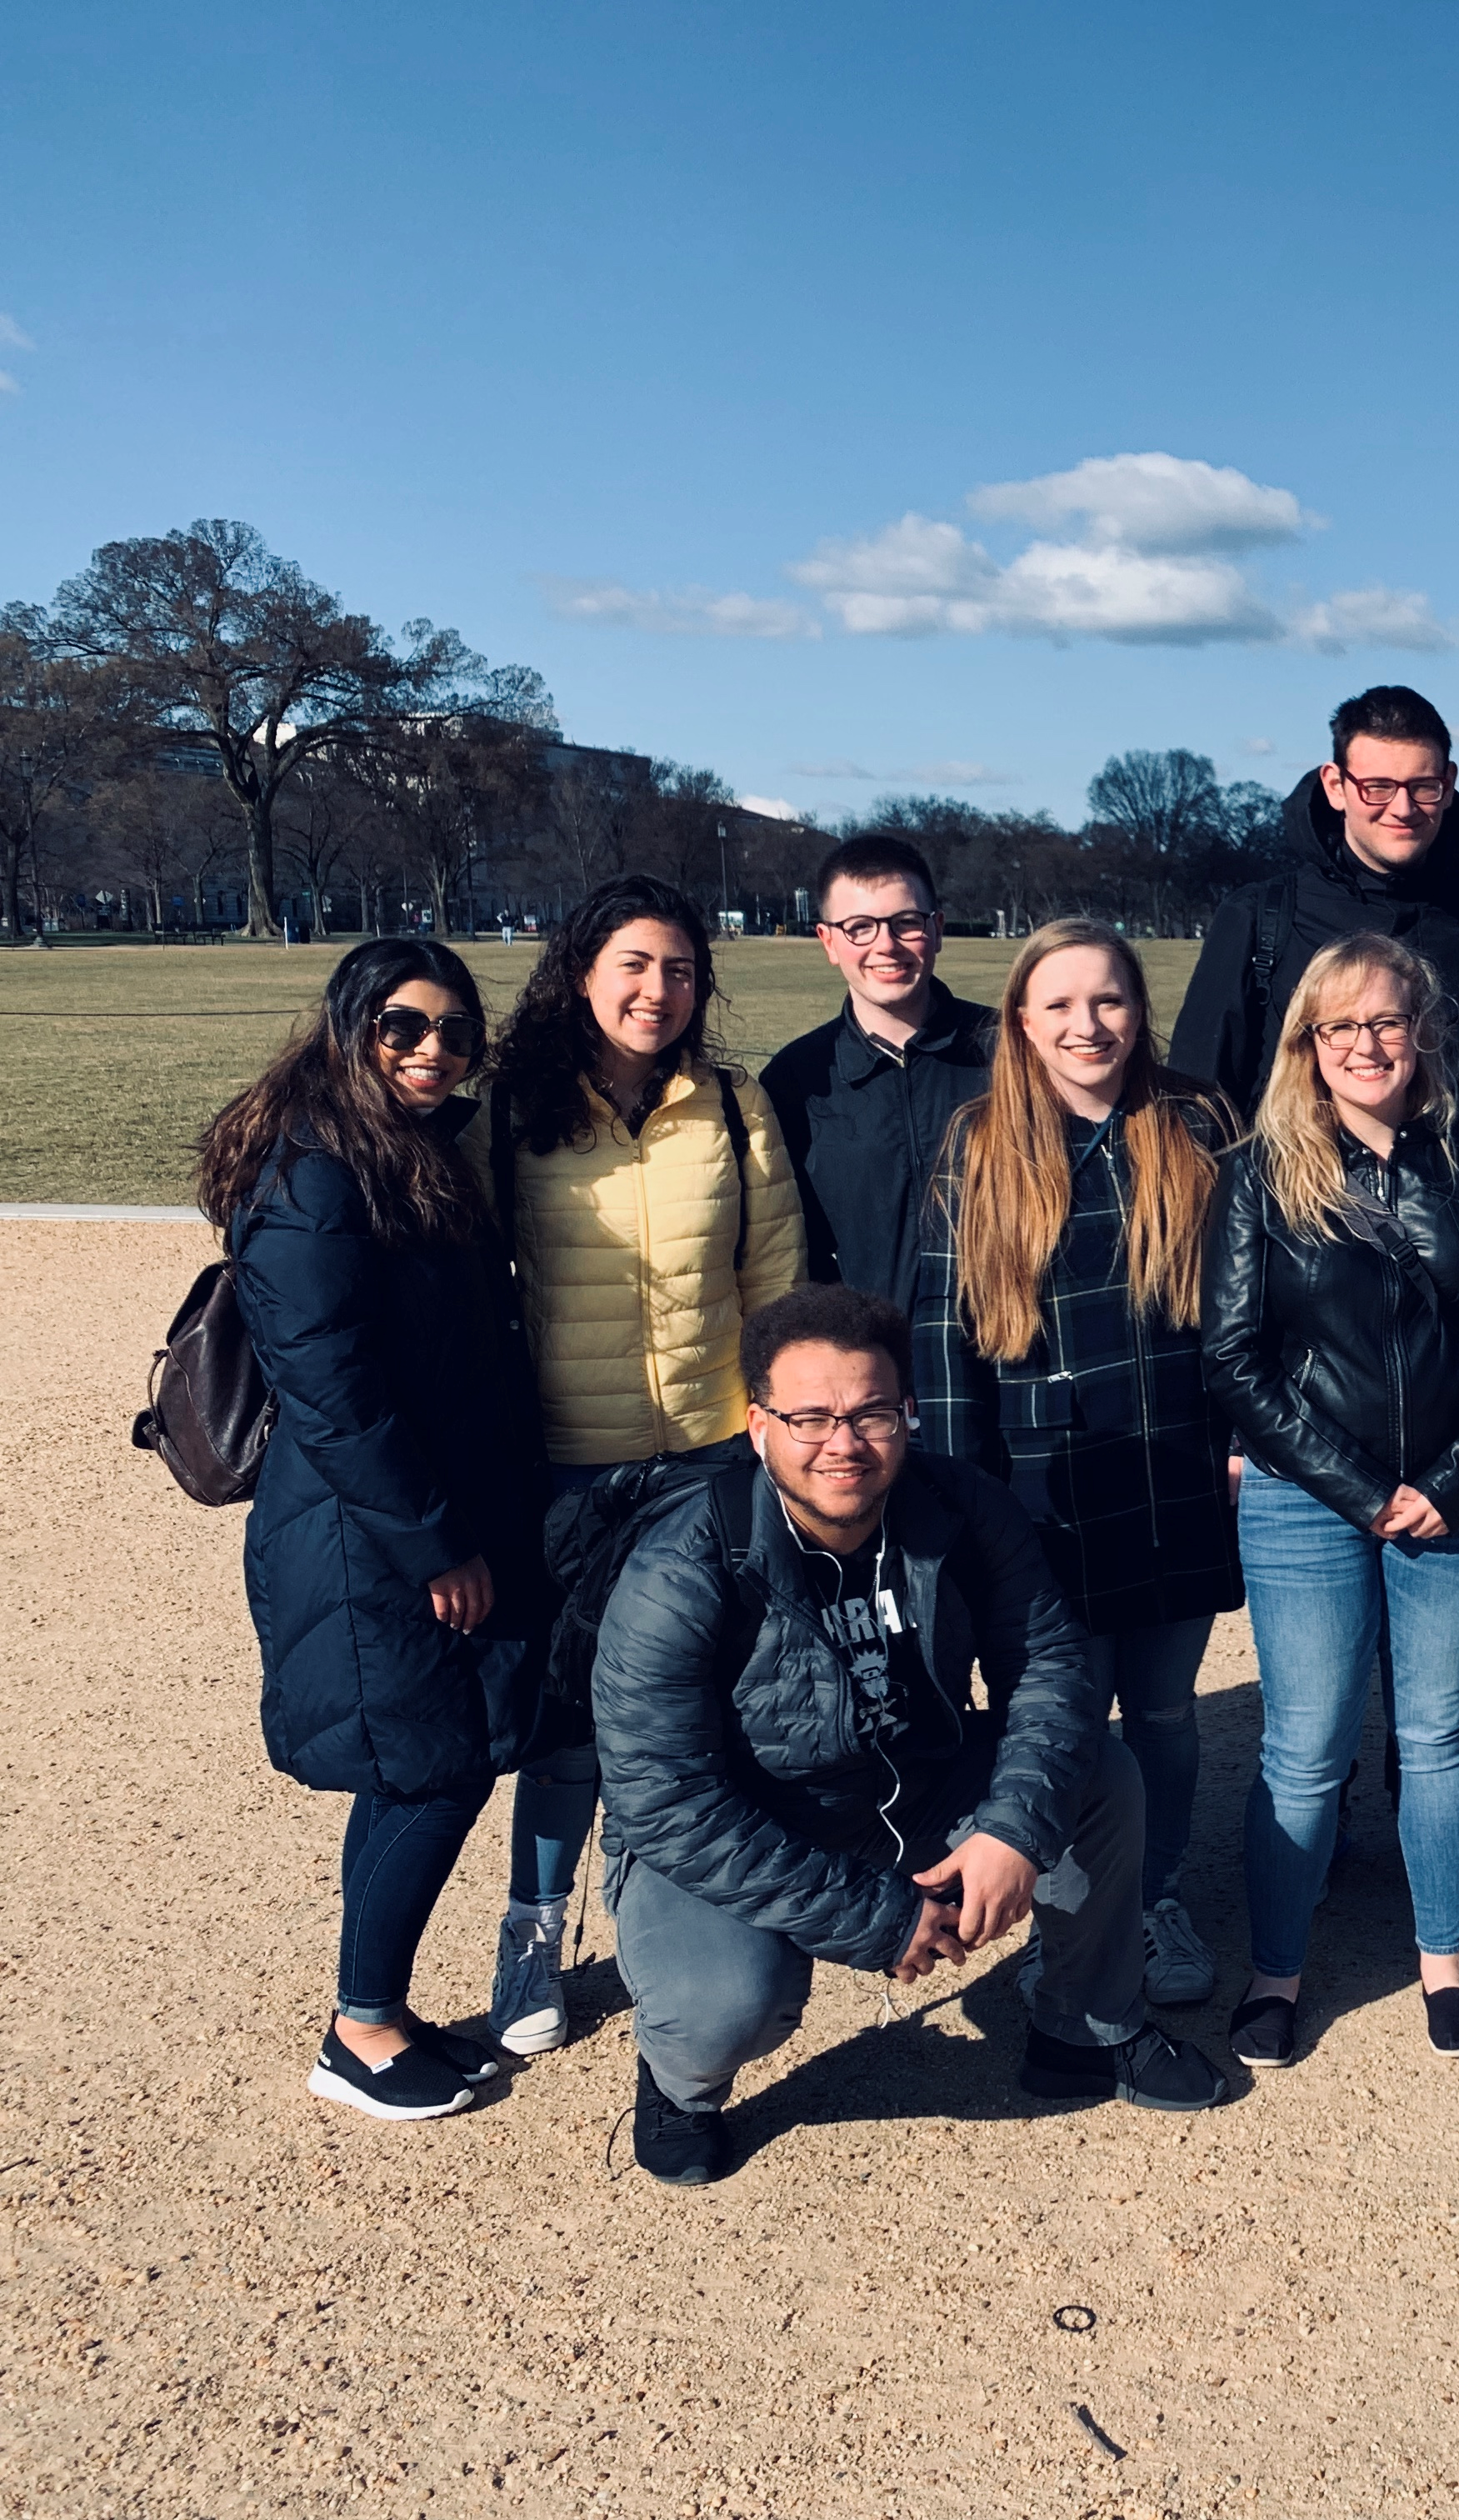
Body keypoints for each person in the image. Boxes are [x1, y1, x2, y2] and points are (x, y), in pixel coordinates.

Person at [592, 1286, 1226, 2184]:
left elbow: (1050, 1674)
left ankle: (1083, 2028)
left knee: (1103, 1779)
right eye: (808, 1417)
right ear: (758, 1424)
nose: (842, 1444)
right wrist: (881, 1918)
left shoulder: (963, 1508)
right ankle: (680, 2084)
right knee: (732, 1999)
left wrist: (1013, 1831)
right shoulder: (683, 1564)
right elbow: (667, 1800)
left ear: (909, 1414)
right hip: (742, 1824)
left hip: (912, 1782)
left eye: (872, 1413)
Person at [202, 941, 547, 2121]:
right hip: (373, 1536)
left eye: (457, 1033)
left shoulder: (395, 1151)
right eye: (406, 1026)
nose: (434, 1052)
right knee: (433, 1773)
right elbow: (333, 1393)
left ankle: (377, 2007)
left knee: (411, 1770)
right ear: (352, 1024)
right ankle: (359, 2030)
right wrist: (434, 1545)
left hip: (406, 1515)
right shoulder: (313, 1177)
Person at [1202, 935, 1459, 2067]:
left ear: (1425, 1035)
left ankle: (1443, 1961)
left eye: (1387, 1023)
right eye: (1339, 1027)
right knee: (1305, 1743)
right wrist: (1360, 1491)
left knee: (1441, 1729)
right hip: (1312, 1498)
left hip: (1455, 1496)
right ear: (1308, 1044)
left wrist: (1450, 1479)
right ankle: (1277, 1972)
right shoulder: (1259, 1174)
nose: (1365, 1046)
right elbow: (1235, 1359)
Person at [479, 873, 803, 2057]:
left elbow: (773, 1277)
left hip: (712, 1452)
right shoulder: (516, 1108)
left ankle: (683, 1915)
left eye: (678, 970)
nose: (657, 991)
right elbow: (475, 1282)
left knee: (698, 1702)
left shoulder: (732, 1105)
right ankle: (532, 1929)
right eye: (633, 966)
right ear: (581, 973)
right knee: (568, 1718)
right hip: (572, 1459)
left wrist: (775, 1427)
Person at [912, 921, 1242, 2012]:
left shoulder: (1196, 1123)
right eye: (1057, 1005)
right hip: (1039, 1506)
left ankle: (1151, 1902)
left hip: (1174, 1483)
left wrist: (1242, 1444)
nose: (1085, 1025)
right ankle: (1069, 1921)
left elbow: (1246, 1316)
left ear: (1139, 1009)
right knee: (1053, 1724)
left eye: (1106, 1001)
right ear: (1021, 1021)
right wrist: (963, 1515)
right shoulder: (975, 1146)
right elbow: (948, 1354)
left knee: (1160, 1716)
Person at [1170, 683, 1459, 1120]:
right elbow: (1198, 1103)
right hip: (1297, 1184)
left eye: (1423, 786)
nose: (1403, 808)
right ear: (1336, 786)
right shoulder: (1259, 919)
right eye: (1378, 787)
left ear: (1448, 785)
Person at [762, 832, 995, 1310]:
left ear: (938, 929)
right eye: (859, 927)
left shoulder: (1012, 1050)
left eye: (907, 922)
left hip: (1012, 1357)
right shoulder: (795, 1081)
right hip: (871, 1368)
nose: (886, 945)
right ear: (828, 941)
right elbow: (786, 1251)